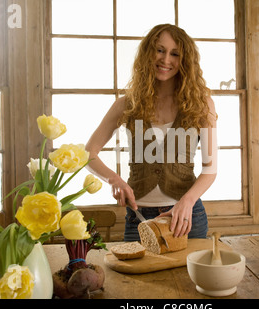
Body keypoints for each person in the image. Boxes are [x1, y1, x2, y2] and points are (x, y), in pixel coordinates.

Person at [85, 24, 217, 241]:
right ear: (148, 53)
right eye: (160, 50)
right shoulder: (126, 104)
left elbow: (210, 169)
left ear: (184, 61)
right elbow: (88, 153)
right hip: (139, 218)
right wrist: (114, 179)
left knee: (187, 276)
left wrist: (188, 201)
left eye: (175, 54)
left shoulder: (201, 104)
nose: (166, 60)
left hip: (185, 218)